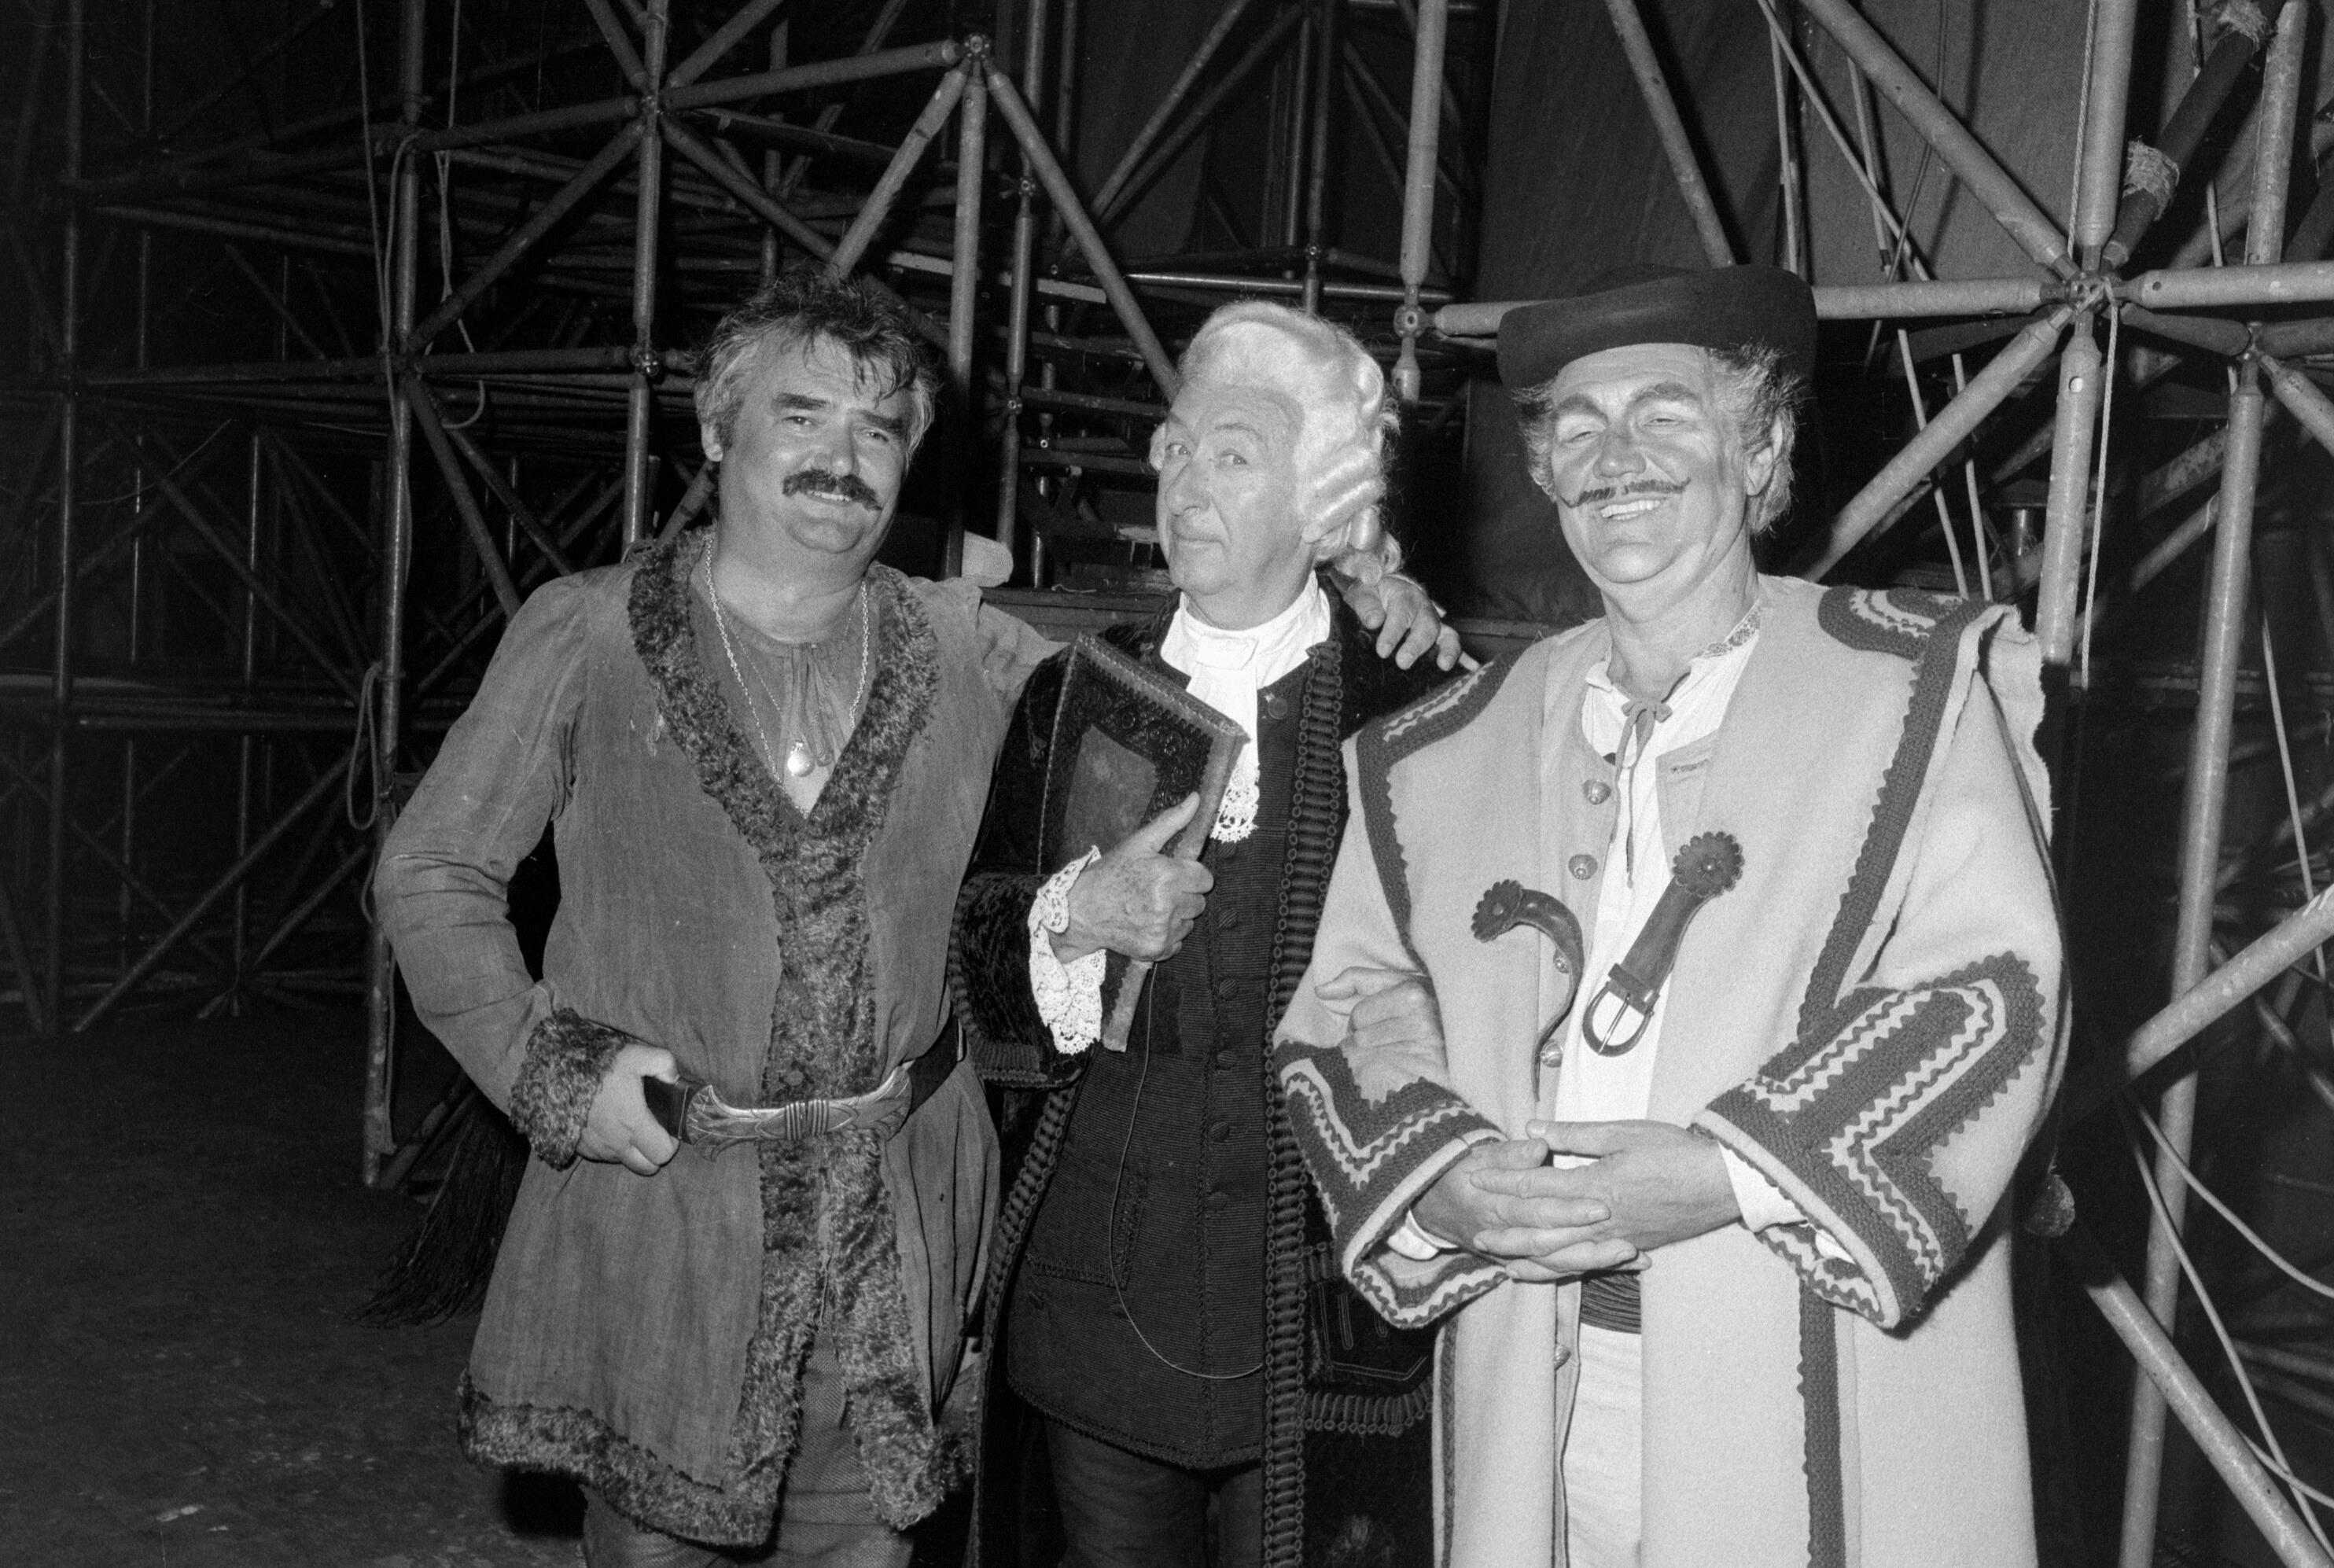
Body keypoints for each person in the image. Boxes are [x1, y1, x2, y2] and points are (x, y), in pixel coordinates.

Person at [376, 270, 1455, 1567]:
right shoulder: (587, 634)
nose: (842, 458)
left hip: (894, 1253)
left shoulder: (971, 650)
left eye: (879, 430)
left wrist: (1368, 589)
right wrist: (551, 1071)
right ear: (716, 430)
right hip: (662, 1235)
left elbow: (1199, 665)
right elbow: (430, 873)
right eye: (802, 416)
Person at [1272, 264, 2064, 1567]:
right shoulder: (1437, 751)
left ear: (1761, 451)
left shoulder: (1910, 690)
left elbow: (1992, 994)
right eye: (1577, 427)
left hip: (1819, 1373)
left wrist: (1725, 1175)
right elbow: (1353, 1008)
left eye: (1666, 414)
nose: (1614, 458)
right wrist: (1442, 1182)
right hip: (1540, 1387)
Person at [952, 301, 1450, 1568]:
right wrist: (1075, 917)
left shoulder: (1418, 705)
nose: (1184, 482)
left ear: (1323, 497)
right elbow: (975, 956)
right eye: (1176, 449)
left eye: (1234, 454)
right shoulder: (1076, 693)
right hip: (1098, 1297)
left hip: (1325, 1312)